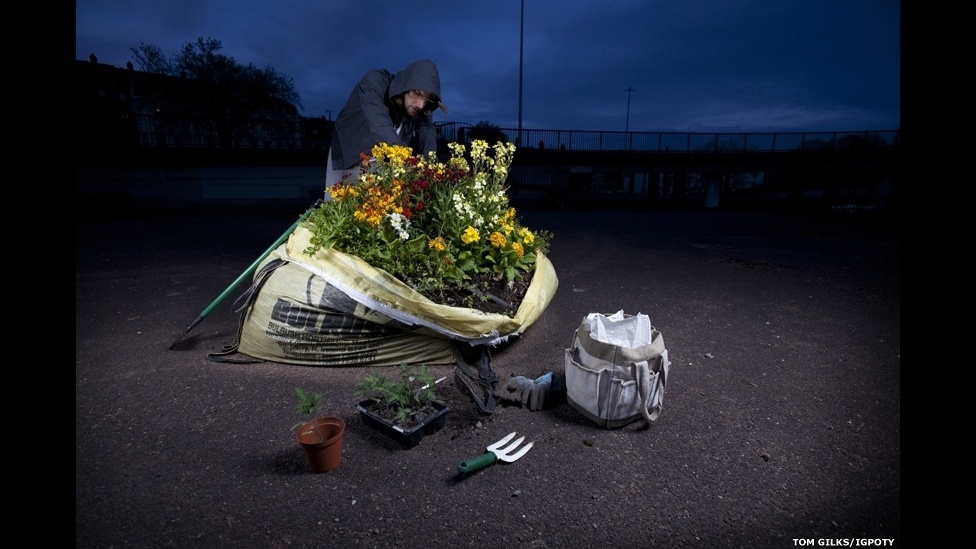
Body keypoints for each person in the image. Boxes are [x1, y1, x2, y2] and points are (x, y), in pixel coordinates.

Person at [325, 59, 448, 191]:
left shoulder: (421, 107)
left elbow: (427, 134)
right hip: (349, 149)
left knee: (377, 205)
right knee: (335, 203)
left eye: (426, 99)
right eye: (417, 94)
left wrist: (433, 171)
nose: (420, 104)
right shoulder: (375, 81)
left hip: (380, 161)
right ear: (406, 86)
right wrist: (405, 158)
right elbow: (379, 121)